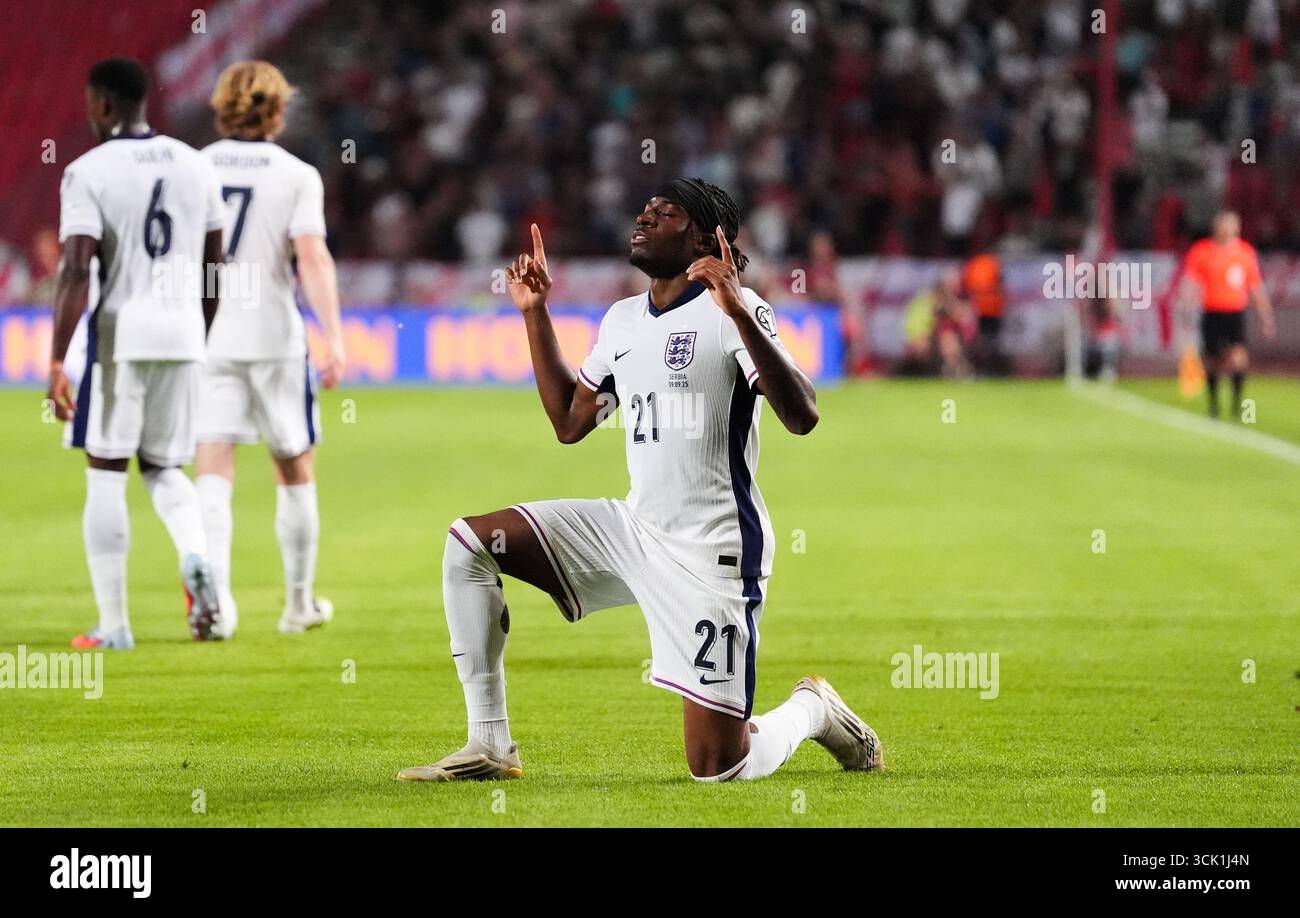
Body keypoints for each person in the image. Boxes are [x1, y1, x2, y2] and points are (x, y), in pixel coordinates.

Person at [399, 179, 882, 783]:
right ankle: (490, 745)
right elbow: (572, 423)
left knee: (718, 768)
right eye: (646, 209)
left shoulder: (737, 309)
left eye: (667, 213)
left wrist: (738, 312)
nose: (645, 217)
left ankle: (811, 710)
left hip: (712, 552)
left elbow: (802, 415)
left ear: (709, 240)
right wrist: (535, 313)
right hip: (634, 529)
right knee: (470, 544)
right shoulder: (623, 320)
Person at [47, 57, 226, 648]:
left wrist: (55, 358)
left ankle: (115, 626)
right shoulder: (195, 164)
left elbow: (75, 269)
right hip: (181, 336)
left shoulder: (85, 171)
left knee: (106, 470)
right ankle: (197, 556)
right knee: (163, 466)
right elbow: (213, 268)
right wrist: (197, 334)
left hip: (122, 337)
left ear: (102, 104)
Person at [194, 61, 346, 638]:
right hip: (275, 337)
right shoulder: (297, 174)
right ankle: (298, 604)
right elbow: (311, 257)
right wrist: (333, 337)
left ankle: (218, 609)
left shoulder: (196, 167)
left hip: (208, 335)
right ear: (278, 109)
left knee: (213, 461)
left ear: (222, 105)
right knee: (293, 463)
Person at [1179, 210, 1276, 418]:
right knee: (1211, 361)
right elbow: (1190, 282)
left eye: (1233, 225)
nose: (1229, 230)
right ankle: (1214, 404)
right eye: (1225, 225)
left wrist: (1266, 317)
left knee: (1239, 359)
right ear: (1217, 228)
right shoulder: (1202, 251)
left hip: (1235, 313)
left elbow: (1255, 287)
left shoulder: (1245, 252)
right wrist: (1186, 307)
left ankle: (1237, 404)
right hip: (1212, 312)